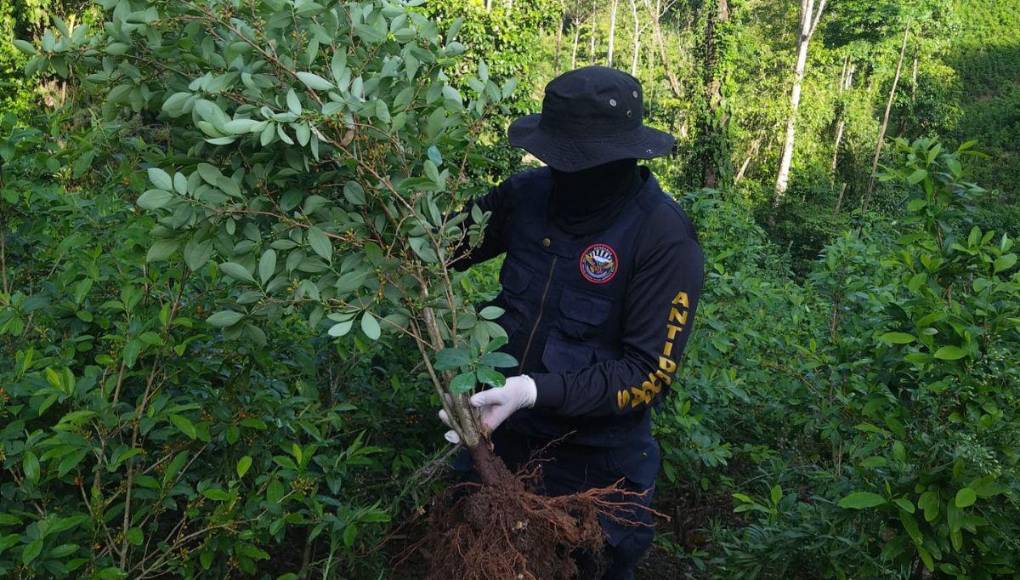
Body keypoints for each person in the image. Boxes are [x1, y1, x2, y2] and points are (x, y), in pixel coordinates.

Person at [439, 66, 704, 580]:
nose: (568, 173)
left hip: (596, 466)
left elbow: (647, 373)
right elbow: (436, 249)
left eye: (584, 162)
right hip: (500, 440)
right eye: (560, 158)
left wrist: (532, 390)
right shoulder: (526, 195)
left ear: (626, 154)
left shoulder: (662, 238)